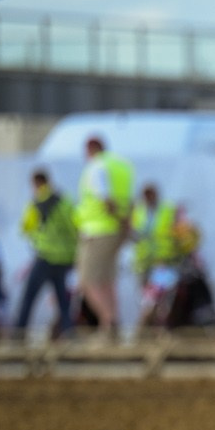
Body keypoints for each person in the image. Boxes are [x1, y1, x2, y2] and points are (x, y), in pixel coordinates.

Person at [73, 135, 133, 335]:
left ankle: (109, 322)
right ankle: (110, 325)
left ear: (91, 148)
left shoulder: (97, 167)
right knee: (107, 281)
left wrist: (120, 221)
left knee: (87, 281)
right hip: (115, 232)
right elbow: (130, 201)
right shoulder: (121, 166)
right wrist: (125, 224)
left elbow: (105, 200)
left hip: (97, 231)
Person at [13, 168, 76, 337]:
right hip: (64, 258)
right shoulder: (64, 200)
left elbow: (25, 227)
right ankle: (68, 331)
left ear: (35, 183)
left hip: (45, 256)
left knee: (29, 296)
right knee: (62, 299)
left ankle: (19, 332)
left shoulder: (36, 203)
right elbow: (74, 226)